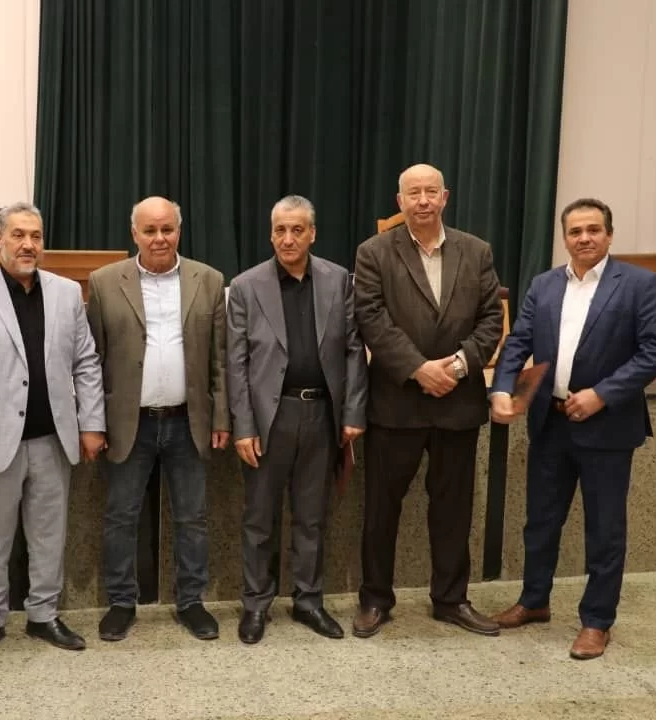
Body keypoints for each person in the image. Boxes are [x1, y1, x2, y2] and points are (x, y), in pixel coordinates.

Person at [489, 198, 656, 660]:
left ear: (609, 234)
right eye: (575, 231)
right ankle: (535, 601)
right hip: (550, 423)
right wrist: (502, 388)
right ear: (565, 238)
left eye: (593, 230)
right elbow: (519, 342)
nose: (584, 238)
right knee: (540, 521)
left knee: (604, 530)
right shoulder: (544, 284)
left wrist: (602, 394)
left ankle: (596, 621)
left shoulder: (639, 284)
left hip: (608, 427)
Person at [0, 202, 105, 663]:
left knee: (50, 535)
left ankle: (43, 614)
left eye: (35, 236)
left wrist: (92, 422)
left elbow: (86, 362)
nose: (28, 244)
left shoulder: (67, 293)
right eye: (18, 235)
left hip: (53, 439)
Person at [352, 163, 504, 638]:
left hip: (457, 402)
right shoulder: (373, 252)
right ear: (399, 202)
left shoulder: (476, 251)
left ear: (445, 198)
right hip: (396, 402)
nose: (422, 200)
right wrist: (419, 369)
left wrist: (456, 367)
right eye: (413, 193)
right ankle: (375, 599)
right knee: (381, 510)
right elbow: (371, 318)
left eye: (430, 192)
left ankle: (451, 599)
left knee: (454, 509)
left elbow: (491, 319)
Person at [226, 195, 368, 644]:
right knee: (259, 518)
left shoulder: (338, 280)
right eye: (280, 230)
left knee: (312, 516)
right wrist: (243, 426)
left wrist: (352, 412)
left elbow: (353, 350)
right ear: (271, 235)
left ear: (312, 234)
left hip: (322, 414)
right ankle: (256, 604)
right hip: (270, 417)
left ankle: (309, 600)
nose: (288, 239)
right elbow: (236, 364)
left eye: (297, 230)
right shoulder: (245, 286)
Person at [86, 196, 229, 642]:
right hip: (130, 423)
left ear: (179, 230)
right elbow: (91, 361)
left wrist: (222, 418)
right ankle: (120, 603)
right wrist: (92, 422)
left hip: (189, 421)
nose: (159, 238)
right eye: (150, 230)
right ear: (135, 234)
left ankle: (191, 602)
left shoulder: (209, 280)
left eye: (167, 229)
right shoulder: (104, 282)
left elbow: (220, 360)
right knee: (121, 517)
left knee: (193, 518)